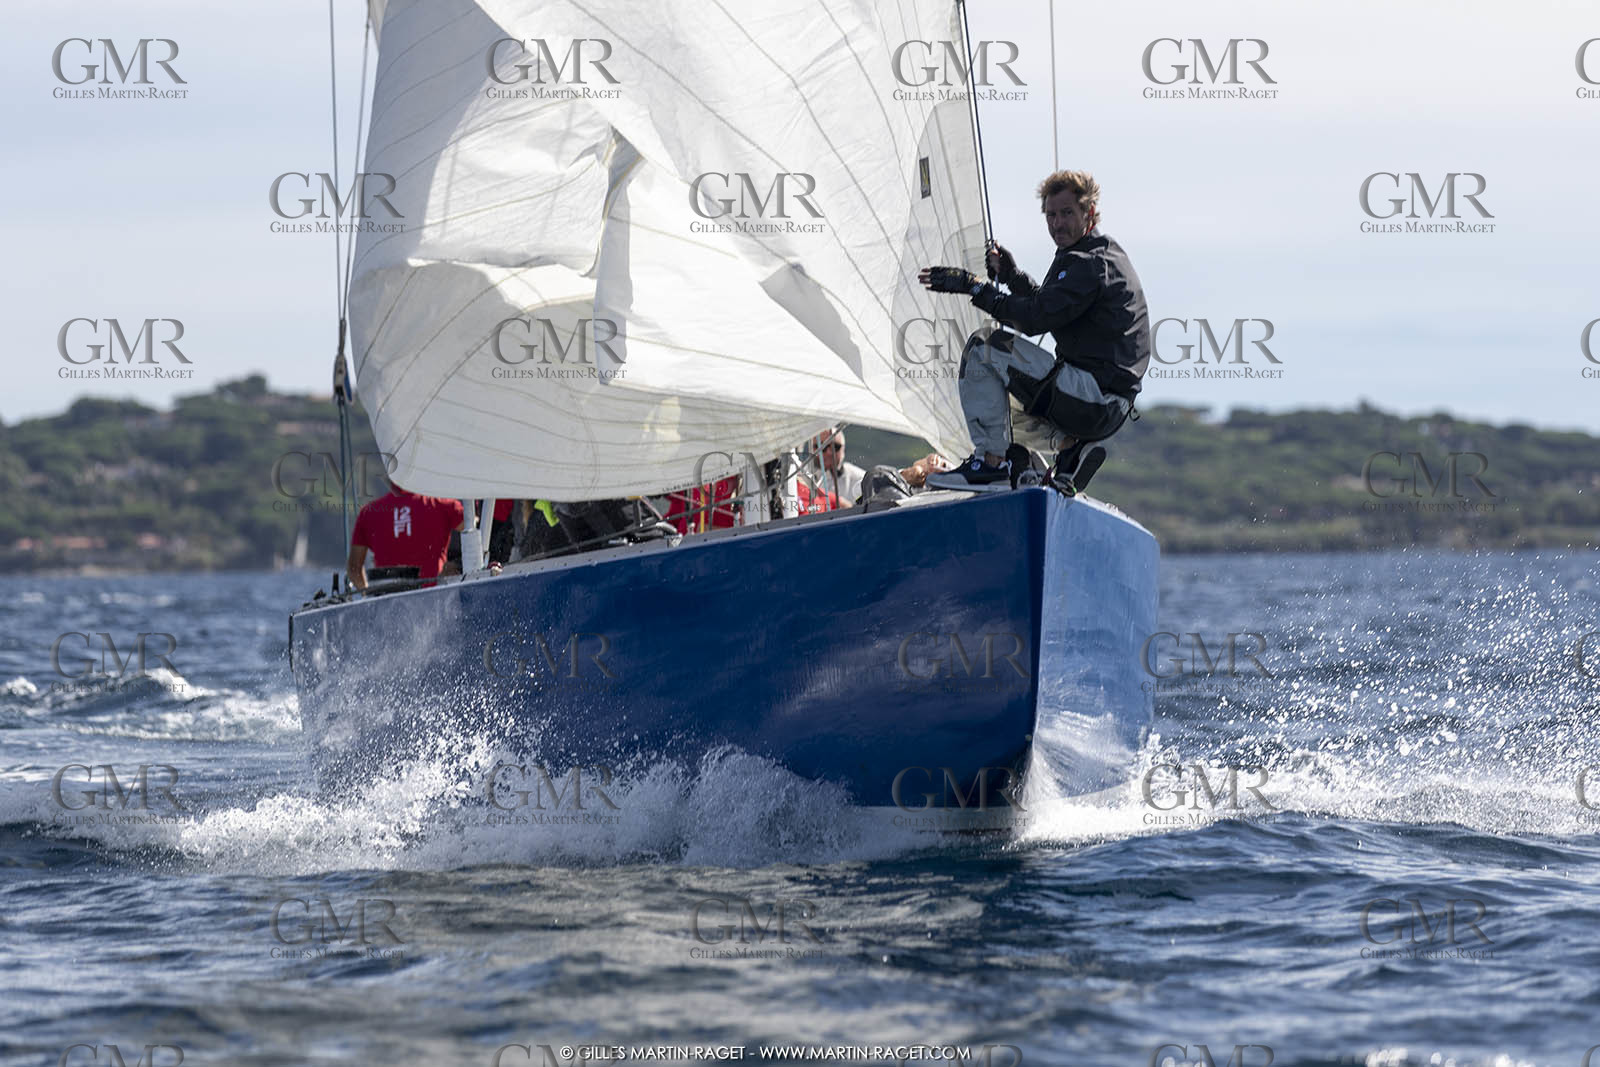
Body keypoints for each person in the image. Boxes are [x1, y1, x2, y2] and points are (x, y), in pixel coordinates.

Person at [916, 169, 1150, 492]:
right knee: (992, 403)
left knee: (983, 348)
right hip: (1103, 404)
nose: (1057, 224)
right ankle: (1067, 447)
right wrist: (1012, 276)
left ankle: (991, 465)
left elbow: (1035, 319)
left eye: (1067, 213)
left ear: (1090, 213)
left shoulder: (1090, 262)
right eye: (1051, 215)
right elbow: (1053, 306)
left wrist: (973, 287)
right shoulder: (1094, 255)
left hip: (1094, 396)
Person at [346, 481, 464, 590]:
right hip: (433, 600)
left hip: (387, 604)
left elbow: (354, 569)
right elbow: (475, 535)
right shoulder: (445, 505)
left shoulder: (368, 513)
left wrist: (368, 596)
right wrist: (458, 565)